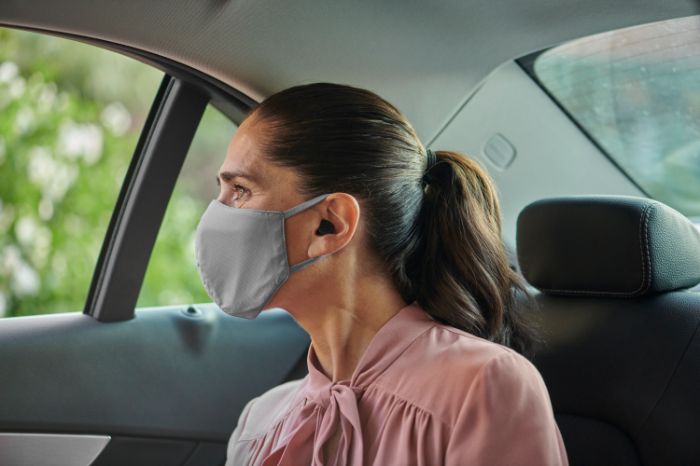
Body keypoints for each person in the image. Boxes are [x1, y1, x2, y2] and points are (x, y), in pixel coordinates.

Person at [194, 83, 568, 466]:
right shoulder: (259, 423)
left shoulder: (486, 387)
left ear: (330, 224)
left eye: (240, 190)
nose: (217, 215)